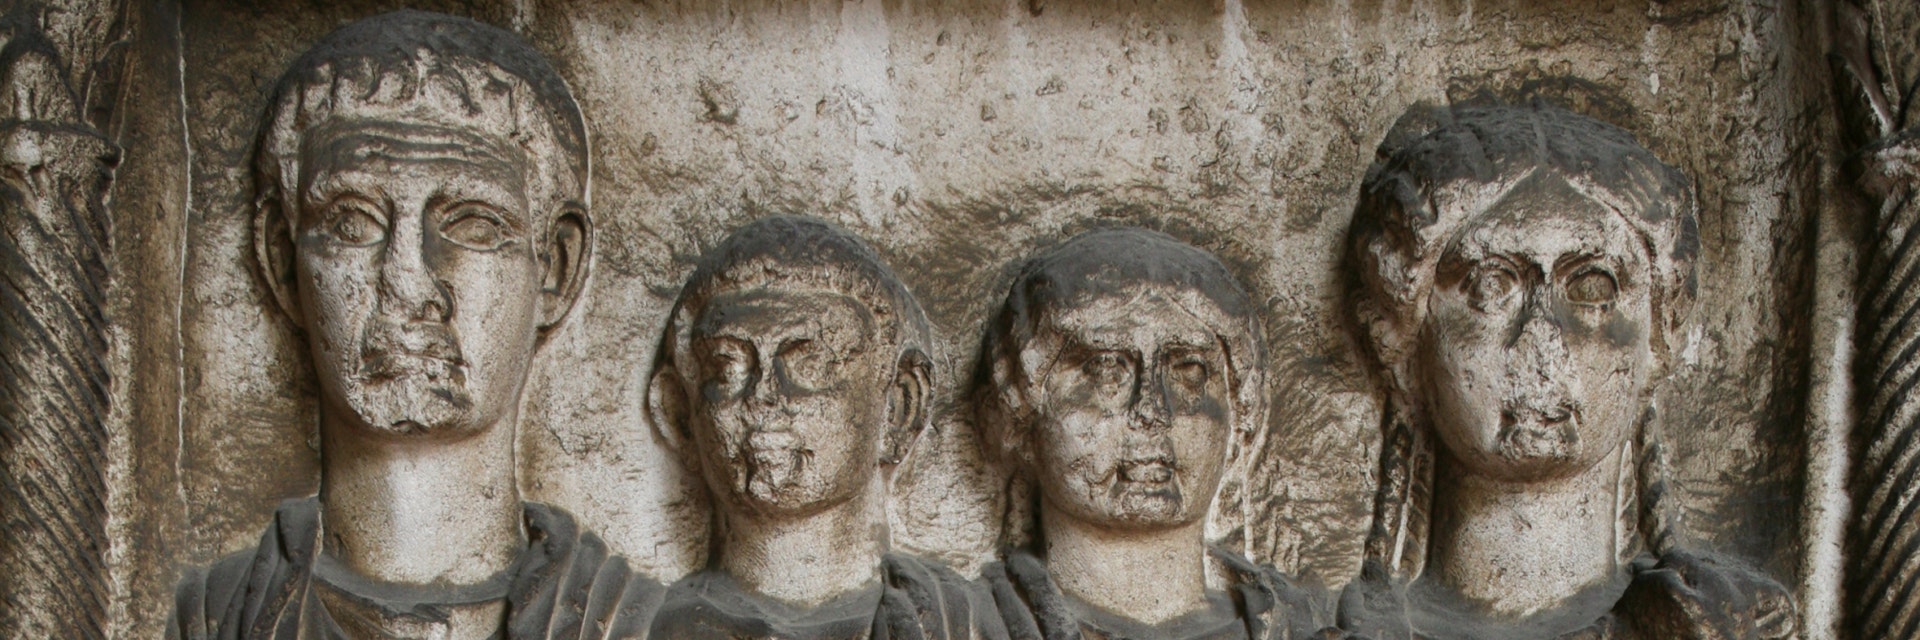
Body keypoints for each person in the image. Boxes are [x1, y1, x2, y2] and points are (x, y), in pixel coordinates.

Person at [170, 11, 657, 639]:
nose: (408, 281)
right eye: (353, 222)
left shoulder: (643, 624)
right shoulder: (212, 618)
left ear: (556, 268)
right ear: (282, 261)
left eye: (473, 225)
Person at [1337, 101, 1794, 640]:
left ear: (1657, 343)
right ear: (1403, 343)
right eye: (1491, 286)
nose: (1541, 341)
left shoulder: (1741, 627)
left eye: (1593, 290)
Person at [645, 215, 1001, 640]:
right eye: (727, 367)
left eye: (810, 363)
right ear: (679, 414)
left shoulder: (968, 624)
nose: (764, 395)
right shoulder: (624, 619)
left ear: (899, 407)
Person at [975, 228, 1326, 640]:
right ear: (1020, 416)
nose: (1152, 411)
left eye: (1190, 371)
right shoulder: (944, 623)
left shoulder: (1316, 627)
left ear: (1240, 422)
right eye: (1105, 369)